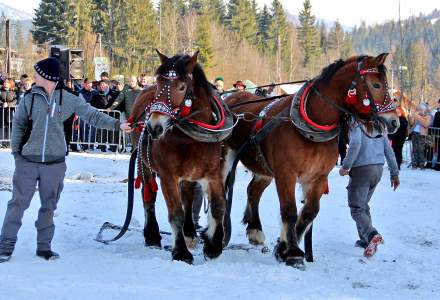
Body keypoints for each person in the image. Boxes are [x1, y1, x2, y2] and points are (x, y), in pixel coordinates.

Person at [0, 57, 132, 263]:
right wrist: (17, 154)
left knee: (49, 207)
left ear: (47, 77)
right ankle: (5, 247)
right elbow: (17, 126)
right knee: (17, 204)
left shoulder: (68, 99)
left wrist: (118, 125)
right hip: (27, 161)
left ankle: (44, 247)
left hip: (54, 164)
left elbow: (93, 116)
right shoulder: (29, 98)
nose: (33, 76)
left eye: (37, 73)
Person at [339, 119, 400, 258]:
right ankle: (366, 240)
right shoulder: (379, 124)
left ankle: (372, 234)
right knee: (363, 205)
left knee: (356, 208)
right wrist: (394, 173)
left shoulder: (356, 122)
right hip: (378, 169)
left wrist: (346, 166)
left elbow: (355, 144)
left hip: (362, 169)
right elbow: (388, 150)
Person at [408, 103, 432, 169]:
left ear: (425, 110)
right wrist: (411, 117)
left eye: (422, 109)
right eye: (419, 109)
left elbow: (426, 124)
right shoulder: (416, 115)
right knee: (414, 149)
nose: (420, 111)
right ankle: (414, 164)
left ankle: (421, 164)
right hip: (414, 133)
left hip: (422, 134)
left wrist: (418, 117)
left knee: (421, 149)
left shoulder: (428, 116)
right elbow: (411, 123)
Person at [388, 105, 409, 170]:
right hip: (394, 137)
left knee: (398, 151)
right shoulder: (394, 118)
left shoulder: (403, 119)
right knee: (393, 151)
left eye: (398, 111)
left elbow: (402, 128)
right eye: (396, 111)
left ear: (401, 112)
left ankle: (397, 165)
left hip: (399, 138)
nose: (397, 112)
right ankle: (393, 164)